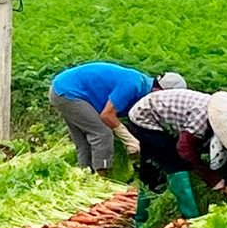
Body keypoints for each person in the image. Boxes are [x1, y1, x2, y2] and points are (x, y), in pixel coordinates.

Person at [125, 85, 227, 228]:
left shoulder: (213, 115)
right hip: (144, 118)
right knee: (176, 165)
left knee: (151, 172)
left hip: (157, 116)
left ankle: (141, 221)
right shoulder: (201, 119)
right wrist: (214, 181)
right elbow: (185, 150)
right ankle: (191, 219)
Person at [49, 63, 185, 173]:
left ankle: (85, 177)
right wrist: (129, 140)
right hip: (67, 92)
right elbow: (107, 115)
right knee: (102, 133)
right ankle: (102, 181)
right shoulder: (133, 85)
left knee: (84, 142)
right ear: (159, 88)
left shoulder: (143, 87)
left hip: (65, 89)